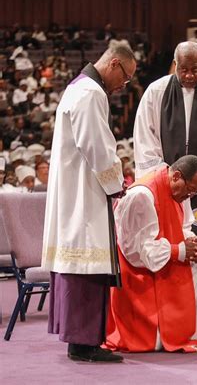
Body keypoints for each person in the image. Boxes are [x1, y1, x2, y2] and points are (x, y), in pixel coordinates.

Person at [41, 44, 137, 363]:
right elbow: (96, 146)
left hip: (75, 188)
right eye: (126, 76)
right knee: (86, 263)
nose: (125, 84)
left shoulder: (76, 88)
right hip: (84, 192)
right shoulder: (92, 93)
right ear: (113, 64)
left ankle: (80, 340)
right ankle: (83, 343)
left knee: (81, 261)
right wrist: (116, 184)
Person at [134, 41, 197, 314]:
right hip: (169, 188)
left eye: (196, 69)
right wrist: (170, 180)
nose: (190, 75)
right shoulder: (155, 93)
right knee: (170, 245)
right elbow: (145, 140)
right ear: (175, 65)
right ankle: (172, 310)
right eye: (185, 69)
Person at [105, 155, 197, 352]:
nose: (190, 196)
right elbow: (135, 252)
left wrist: (192, 242)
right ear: (176, 176)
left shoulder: (180, 190)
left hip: (164, 255)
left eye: (195, 193)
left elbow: (183, 226)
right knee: (153, 344)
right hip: (137, 272)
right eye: (190, 190)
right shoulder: (142, 195)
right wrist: (179, 250)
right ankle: (169, 331)